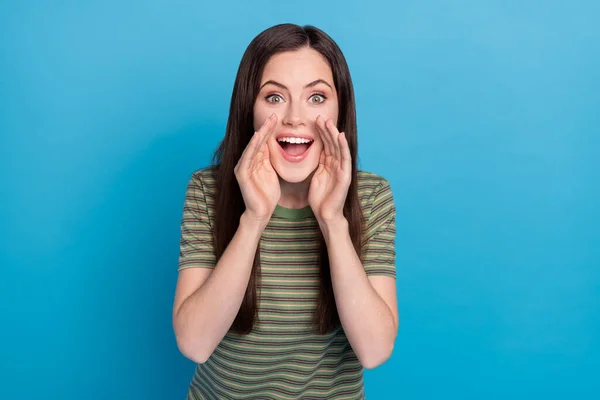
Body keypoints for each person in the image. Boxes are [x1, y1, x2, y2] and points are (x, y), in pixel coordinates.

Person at [172, 23, 398, 399]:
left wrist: (332, 221)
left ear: (340, 109)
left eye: (316, 98)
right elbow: (195, 343)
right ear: (250, 109)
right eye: (274, 97)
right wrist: (253, 219)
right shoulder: (207, 190)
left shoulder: (372, 196)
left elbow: (374, 351)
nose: (295, 117)